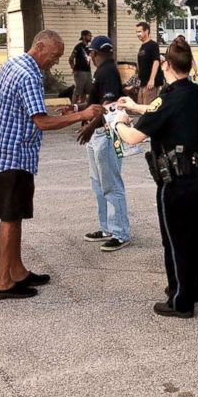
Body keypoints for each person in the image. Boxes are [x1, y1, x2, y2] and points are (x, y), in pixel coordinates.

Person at [0, 30, 102, 300]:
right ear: (40, 46)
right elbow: (41, 123)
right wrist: (83, 114)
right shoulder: (30, 75)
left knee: (15, 215)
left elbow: (26, 110)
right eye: (54, 56)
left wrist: (63, 112)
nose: (55, 62)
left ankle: (17, 271)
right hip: (13, 155)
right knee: (10, 218)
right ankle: (2, 283)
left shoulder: (13, 63)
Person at [115, 37, 198, 319]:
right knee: (193, 235)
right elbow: (165, 112)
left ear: (167, 65)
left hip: (176, 181)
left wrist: (120, 122)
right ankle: (193, 287)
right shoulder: (196, 93)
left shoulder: (168, 98)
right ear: (190, 64)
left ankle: (180, 299)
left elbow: (133, 137)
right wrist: (137, 107)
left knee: (175, 239)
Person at [77, 35, 131, 249]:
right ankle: (107, 227)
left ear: (98, 53)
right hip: (98, 134)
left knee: (111, 184)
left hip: (106, 134)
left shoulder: (107, 71)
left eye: (91, 52)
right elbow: (94, 103)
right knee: (98, 184)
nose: (90, 56)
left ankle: (120, 233)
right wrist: (75, 110)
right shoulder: (104, 71)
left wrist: (90, 127)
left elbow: (109, 106)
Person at [135, 21, 164, 106]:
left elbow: (156, 61)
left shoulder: (152, 45)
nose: (138, 34)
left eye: (139, 31)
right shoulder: (143, 46)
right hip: (143, 83)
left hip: (151, 84)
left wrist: (152, 80)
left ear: (146, 31)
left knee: (148, 110)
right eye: (136, 32)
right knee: (140, 108)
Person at [69, 29, 93, 105]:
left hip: (88, 71)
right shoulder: (78, 47)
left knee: (86, 91)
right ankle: (72, 107)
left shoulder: (89, 47)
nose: (90, 37)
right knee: (78, 90)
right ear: (83, 36)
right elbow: (71, 58)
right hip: (80, 71)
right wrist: (73, 67)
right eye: (89, 36)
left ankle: (81, 107)